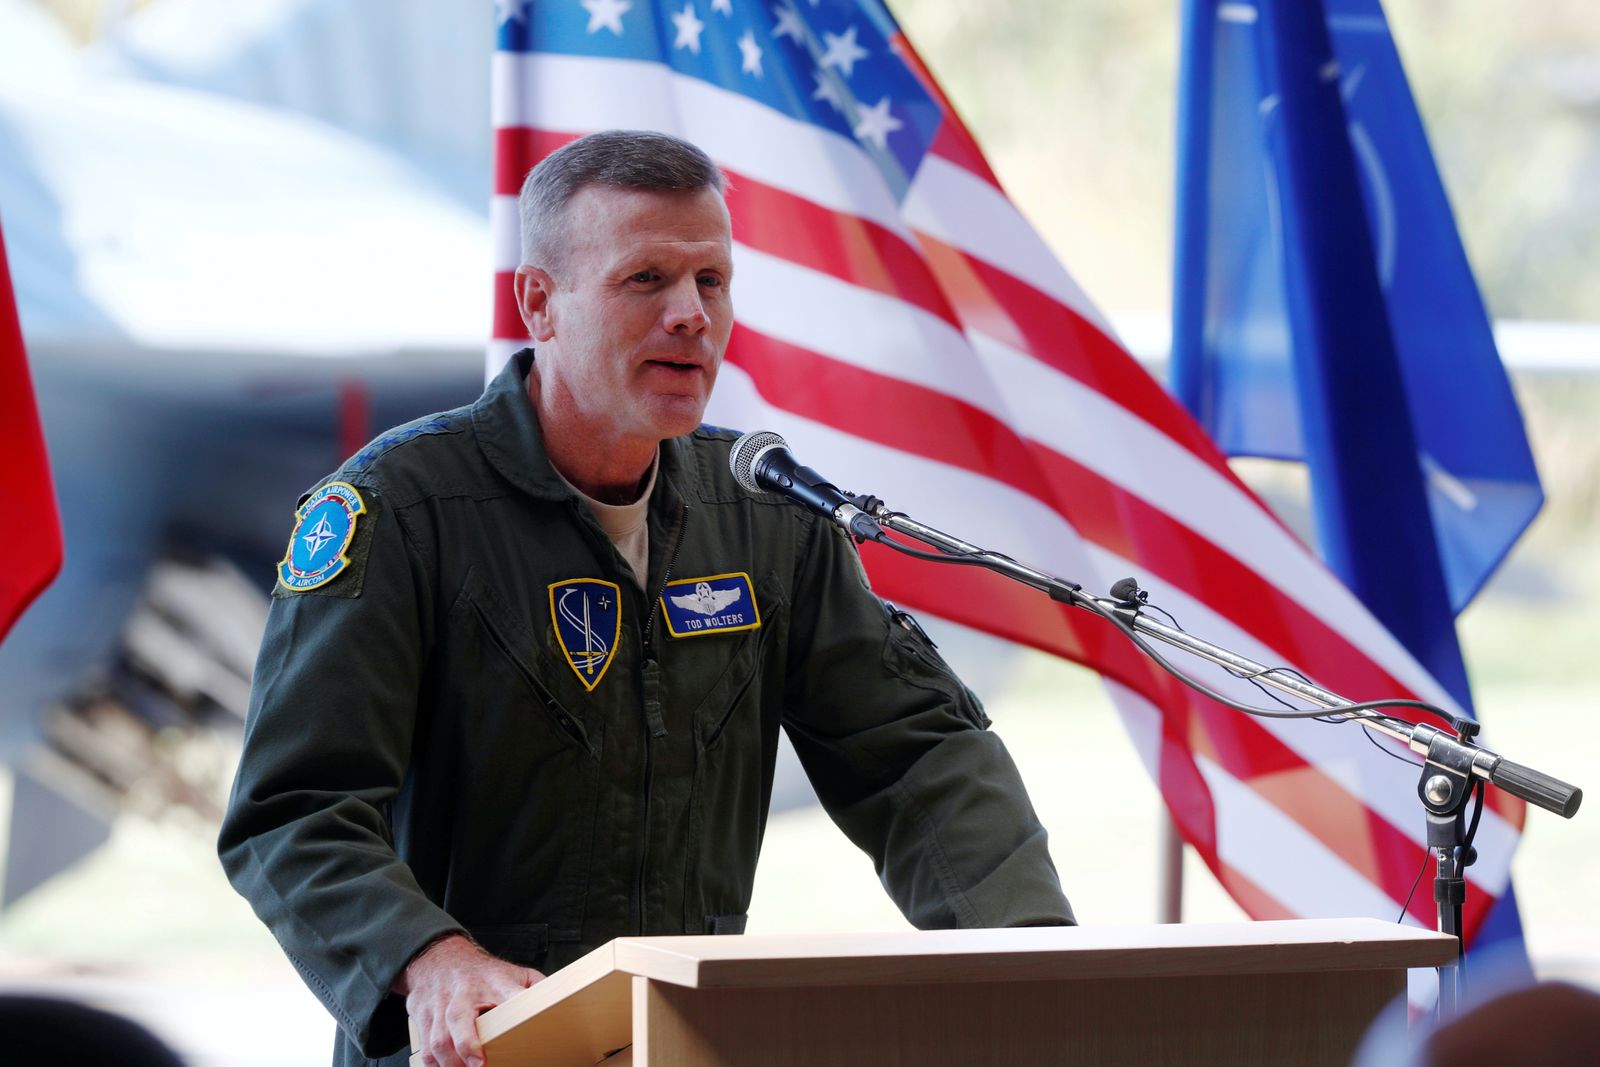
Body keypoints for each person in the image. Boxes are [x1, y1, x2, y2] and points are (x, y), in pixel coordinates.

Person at [219, 130, 1073, 1067]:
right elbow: (295, 809)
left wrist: (1027, 960)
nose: (691, 315)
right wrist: (430, 960)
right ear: (539, 302)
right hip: (476, 1050)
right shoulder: (403, 511)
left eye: (713, 281)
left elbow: (915, 756)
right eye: (646, 280)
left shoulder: (765, 513)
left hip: (680, 1043)